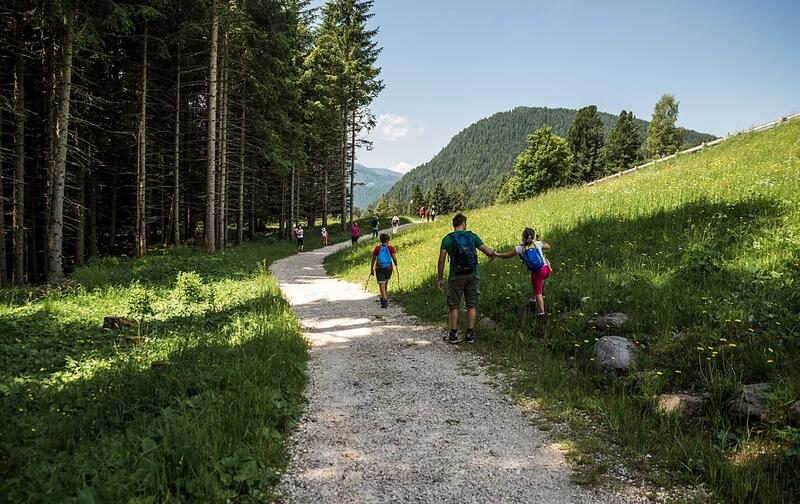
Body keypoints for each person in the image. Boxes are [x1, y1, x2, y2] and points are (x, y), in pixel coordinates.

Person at [437, 213, 496, 344]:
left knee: (454, 305)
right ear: (463, 223)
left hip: (455, 276)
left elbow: (441, 260)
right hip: (472, 275)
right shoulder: (472, 236)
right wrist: (493, 254)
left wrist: (440, 278)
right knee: (471, 305)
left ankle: (453, 334)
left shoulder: (448, 239)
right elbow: (488, 251)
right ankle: (470, 334)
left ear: (454, 225)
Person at [495, 227, 551, 322]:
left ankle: (542, 315)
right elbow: (548, 246)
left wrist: (496, 254)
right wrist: (540, 241)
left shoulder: (520, 248)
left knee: (538, 293)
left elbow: (507, 255)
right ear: (532, 237)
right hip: (546, 270)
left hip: (537, 272)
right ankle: (532, 301)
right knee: (536, 284)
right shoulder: (537, 243)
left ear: (523, 237)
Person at [370, 233, 398, 309]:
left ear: (381, 240)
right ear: (388, 240)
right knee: (385, 284)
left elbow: (373, 259)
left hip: (379, 268)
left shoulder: (377, 248)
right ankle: (384, 297)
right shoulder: (391, 248)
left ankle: (384, 299)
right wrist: (396, 264)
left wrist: (371, 268)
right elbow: (394, 258)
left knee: (381, 284)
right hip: (389, 268)